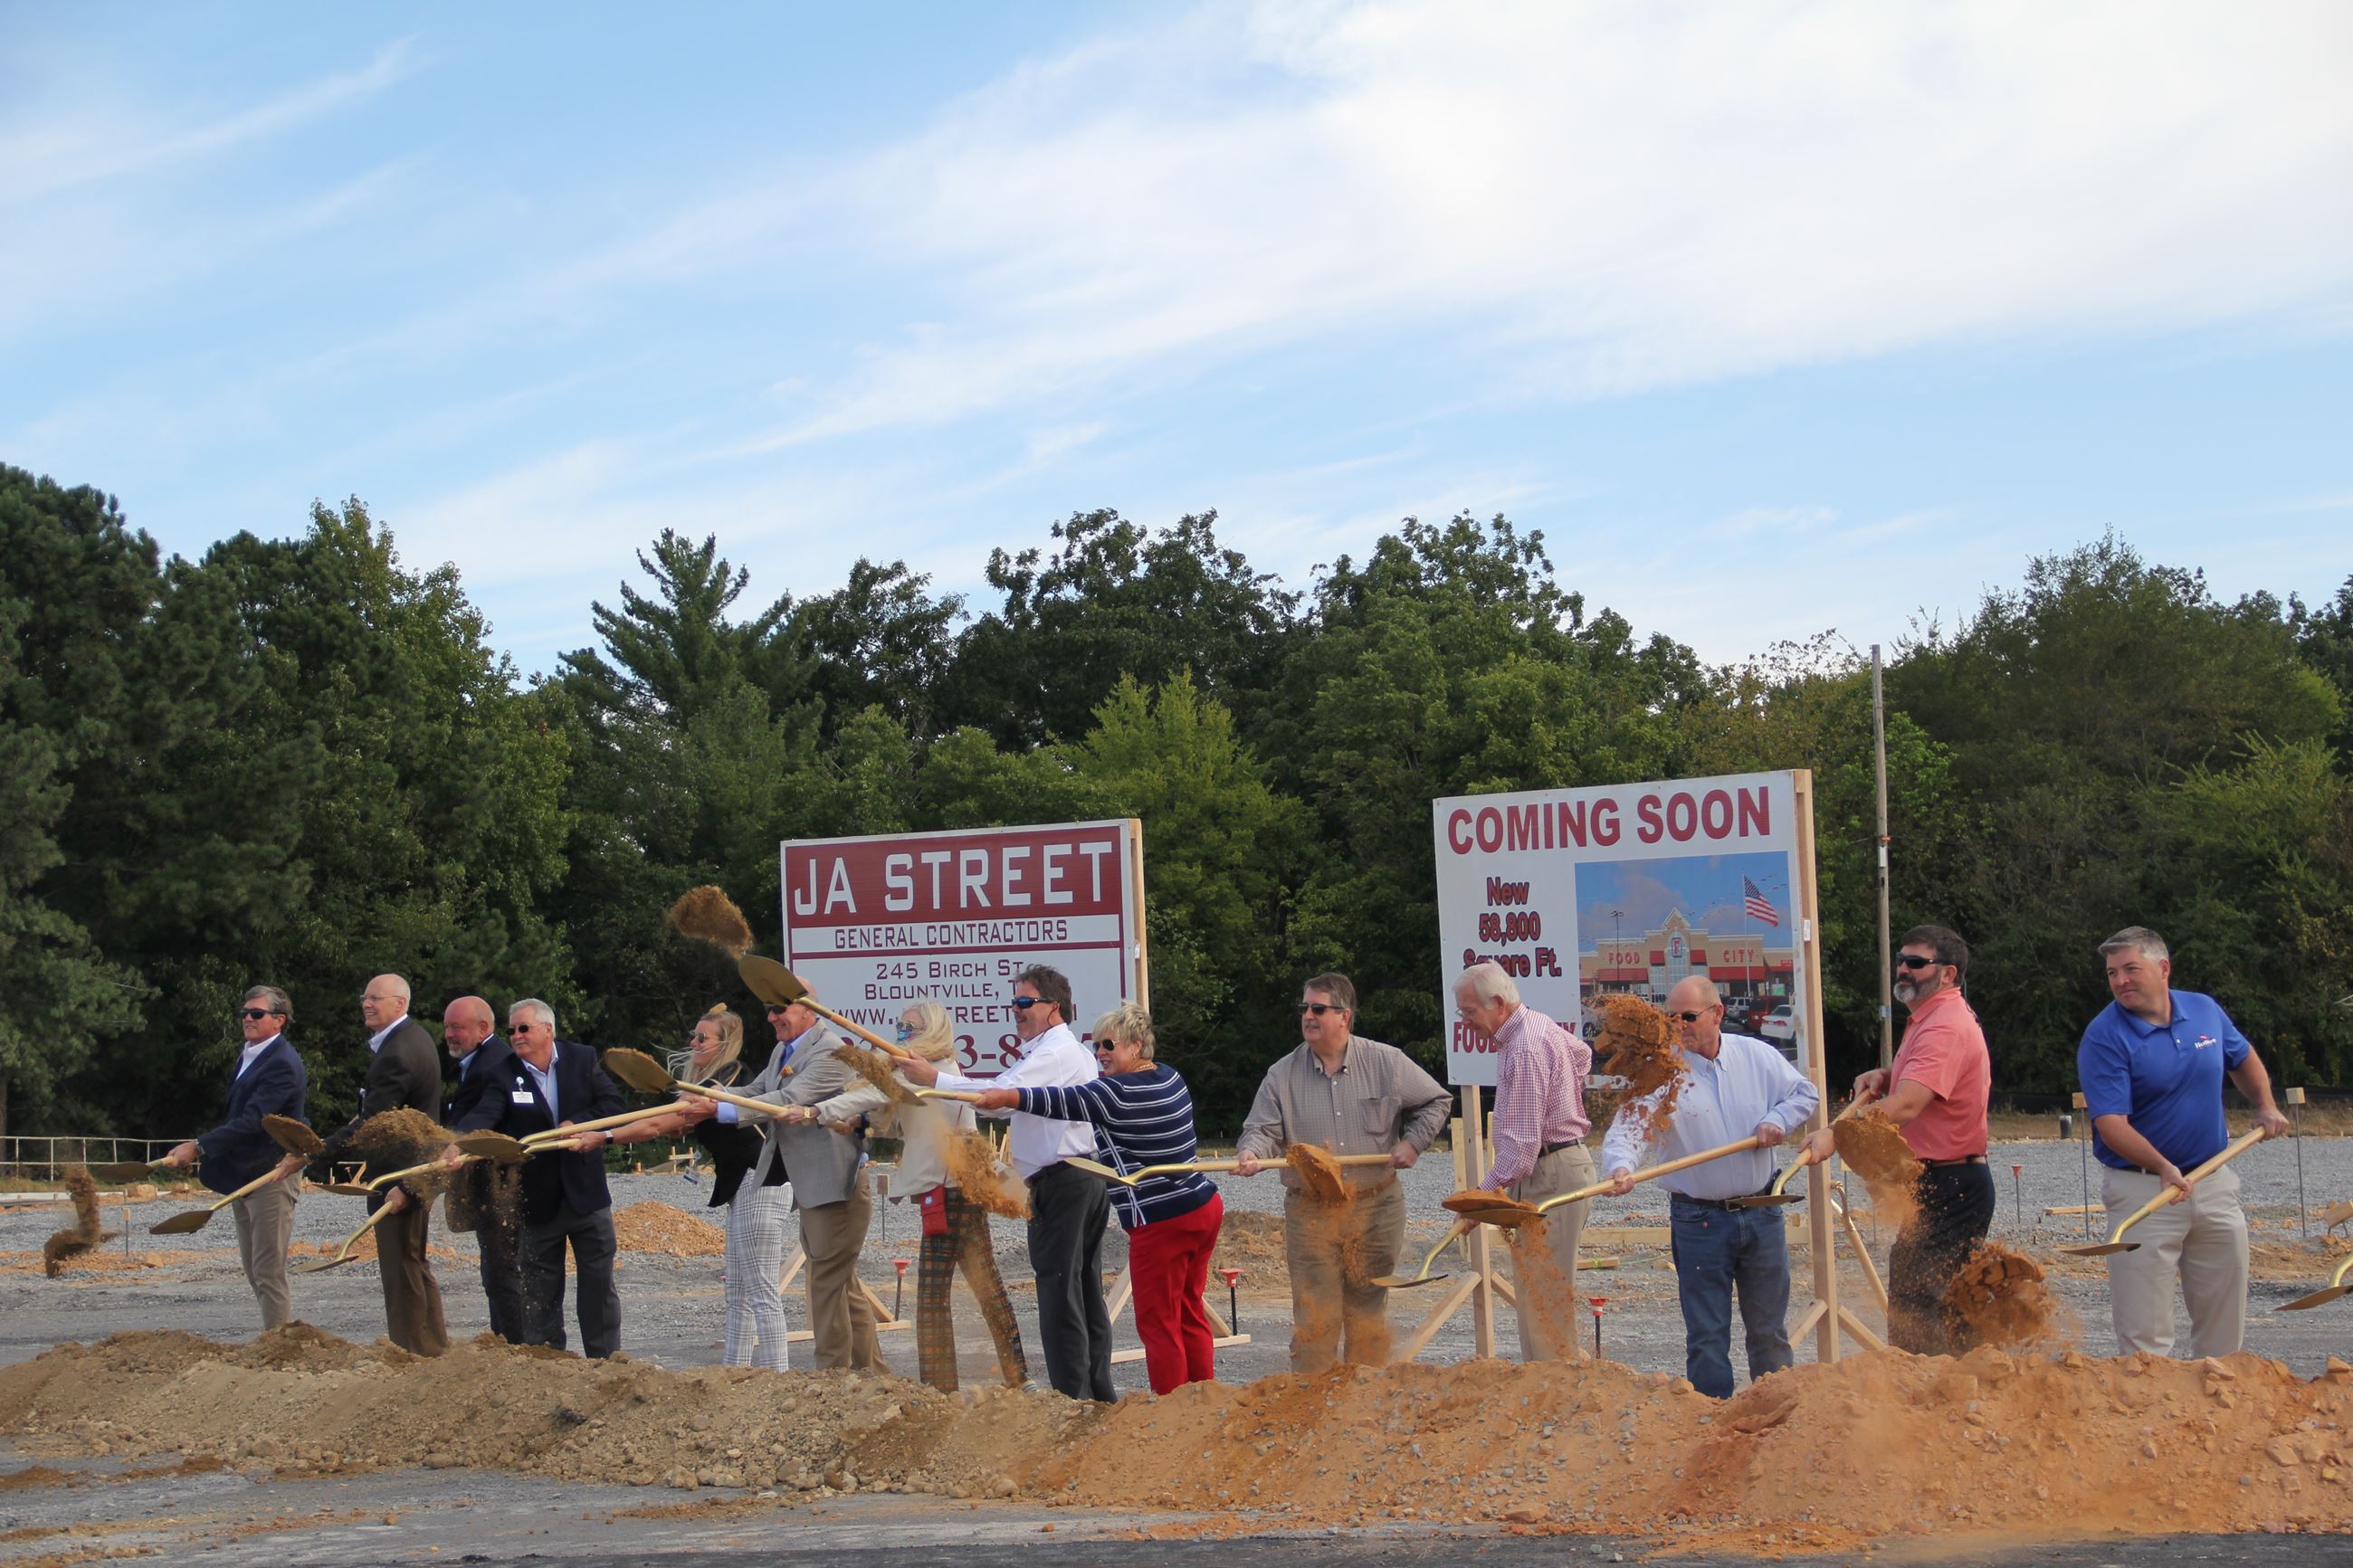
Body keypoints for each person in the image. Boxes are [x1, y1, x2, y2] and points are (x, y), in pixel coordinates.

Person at [975, 1002, 1223, 1394]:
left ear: (1137, 1047)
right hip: (1204, 1205)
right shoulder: (1171, 1077)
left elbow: (1058, 1102)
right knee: (1189, 1310)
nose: (1100, 1053)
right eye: (1095, 1046)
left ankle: (1174, 1409)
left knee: (1159, 1324)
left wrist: (1005, 1096)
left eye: (1109, 1044)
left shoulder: (1114, 1092)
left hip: (1161, 1219)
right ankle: (1204, 1400)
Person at [895, 966, 1112, 1402]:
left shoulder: (1055, 1053)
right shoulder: (1050, 1052)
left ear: (1054, 1007)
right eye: (1014, 1002)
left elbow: (996, 1096)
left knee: (1059, 1292)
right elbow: (1002, 1097)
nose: (1016, 1010)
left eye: (1025, 1002)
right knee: (1079, 1289)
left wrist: (933, 1080)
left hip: (1065, 1178)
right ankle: (1092, 1395)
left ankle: (1073, 1398)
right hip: (1076, 1177)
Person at [2077, 926, 2291, 1359]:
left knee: (2223, 1325)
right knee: (2145, 1338)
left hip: (2213, 1181)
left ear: (2163, 968)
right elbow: (2111, 1124)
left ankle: (2215, 1415)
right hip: (2143, 1191)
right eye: (2112, 973)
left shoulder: (2204, 1011)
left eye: (2131, 968)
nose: (2121, 981)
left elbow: (2242, 1057)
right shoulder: (2104, 1036)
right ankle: (2151, 1419)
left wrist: (2266, 1105)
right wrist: (2162, 1167)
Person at [1601, 974, 1818, 1396]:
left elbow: (1803, 1094)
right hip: (1698, 1219)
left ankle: (1777, 1416)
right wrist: (1620, 1166)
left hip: (1761, 1211)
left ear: (1717, 1013)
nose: (1678, 1025)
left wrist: (1778, 1121)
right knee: (1707, 1338)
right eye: (1672, 1017)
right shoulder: (1663, 1072)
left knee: (1769, 1330)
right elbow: (1629, 1127)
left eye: (1688, 1016)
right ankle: (1710, 1425)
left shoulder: (1757, 1056)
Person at [1234, 973, 1451, 1373]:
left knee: (1366, 1309)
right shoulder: (1281, 1075)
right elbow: (1261, 1130)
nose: (1308, 1016)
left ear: (1344, 1016)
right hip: (1313, 1211)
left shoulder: (1387, 1062)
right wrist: (1251, 1153)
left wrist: (1413, 1142)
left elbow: (1437, 1101)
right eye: (1304, 1008)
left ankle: (1360, 1406)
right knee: (1317, 1313)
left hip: (1376, 1208)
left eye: (1319, 1008)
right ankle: (1312, 1405)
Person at [1803, 923, 1993, 1353]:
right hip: (1940, 1180)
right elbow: (1920, 1083)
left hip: (1951, 1184)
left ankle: (1928, 1402)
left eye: (1916, 962)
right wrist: (1886, 1076)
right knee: (1932, 1301)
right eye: (1902, 960)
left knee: (1920, 1303)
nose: (1903, 969)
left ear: (1948, 974)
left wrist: (1838, 1133)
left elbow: (1908, 1105)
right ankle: (1944, 1398)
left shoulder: (1944, 1026)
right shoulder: (1929, 1019)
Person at [681, 992, 890, 1372]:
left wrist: (719, 1107)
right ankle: (872, 1374)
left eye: (780, 1009)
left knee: (825, 1284)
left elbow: (788, 1099)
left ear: (808, 1010)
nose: (772, 1018)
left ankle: (831, 1374)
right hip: (812, 1184)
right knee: (842, 1283)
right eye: (768, 1010)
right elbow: (758, 1091)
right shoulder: (785, 1050)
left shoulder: (831, 1051)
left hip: (835, 1184)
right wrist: (717, 1094)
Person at [447, 999, 627, 1357]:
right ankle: (548, 1364)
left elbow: (613, 1106)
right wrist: (459, 1142)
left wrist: (578, 1123)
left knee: (598, 1287)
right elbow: (486, 1113)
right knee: (540, 1293)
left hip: (586, 1197)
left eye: (523, 1028)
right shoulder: (503, 1073)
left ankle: (605, 1363)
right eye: (511, 1030)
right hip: (537, 1201)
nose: (515, 1036)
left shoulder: (582, 1059)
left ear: (548, 1029)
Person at [621, 1005, 795, 1369]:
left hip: (761, 1180)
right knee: (737, 1291)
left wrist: (604, 1135)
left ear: (724, 1043)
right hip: (744, 1185)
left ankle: (776, 1378)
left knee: (761, 1289)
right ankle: (734, 1374)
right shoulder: (704, 1086)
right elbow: (668, 1123)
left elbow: (656, 1125)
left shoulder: (725, 1078)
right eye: (694, 1036)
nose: (693, 1042)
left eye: (703, 1038)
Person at [285, 974, 447, 1356]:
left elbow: (373, 1123)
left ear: (400, 1004)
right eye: (365, 998)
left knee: (401, 1270)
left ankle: (411, 1352)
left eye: (377, 998)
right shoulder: (415, 1038)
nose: (367, 1005)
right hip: (411, 1172)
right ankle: (435, 1348)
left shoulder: (396, 1053)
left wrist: (316, 1151)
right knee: (414, 1263)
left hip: (398, 1176)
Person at [875, 999, 1027, 1392]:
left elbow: (872, 1098)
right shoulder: (928, 1071)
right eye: (899, 1027)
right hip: (953, 1189)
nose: (900, 1035)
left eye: (908, 1029)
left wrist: (826, 1106)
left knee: (933, 1293)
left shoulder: (932, 1072)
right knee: (985, 1286)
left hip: (952, 1191)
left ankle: (941, 1389)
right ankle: (1016, 1378)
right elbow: (900, 1122)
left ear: (930, 1031)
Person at [1453, 961, 1596, 1362]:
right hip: (1555, 1167)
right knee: (1539, 1291)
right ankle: (1551, 1388)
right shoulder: (1537, 1028)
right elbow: (1581, 1055)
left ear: (1497, 1004)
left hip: (1550, 1173)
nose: (1466, 1023)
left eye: (1469, 1012)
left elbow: (1520, 1150)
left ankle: (1555, 1395)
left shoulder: (1525, 1047)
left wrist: (1477, 1200)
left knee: (1543, 1297)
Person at [163, 985, 307, 1331]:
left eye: (256, 1014)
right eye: (244, 1013)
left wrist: (198, 1146)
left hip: (271, 1174)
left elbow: (254, 1120)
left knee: (268, 1270)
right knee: (253, 1269)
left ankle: (278, 1346)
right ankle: (274, 1338)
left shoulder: (282, 1064)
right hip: (244, 1175)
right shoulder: (251, 1055)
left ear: (279, 1021)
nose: (248, 1019)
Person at [440, 993, 524, 1342]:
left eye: (457, 1027)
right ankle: (507, 1338)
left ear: (483, 1028)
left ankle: (513, 1342)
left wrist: (458, 1140)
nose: (449, 1034)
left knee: (503, 1271)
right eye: (447, 1027)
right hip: (491, 1184)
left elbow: (485, 1114)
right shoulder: (479, 1060)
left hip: (501, 1186)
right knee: (496, 1269)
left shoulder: (494, 1065)